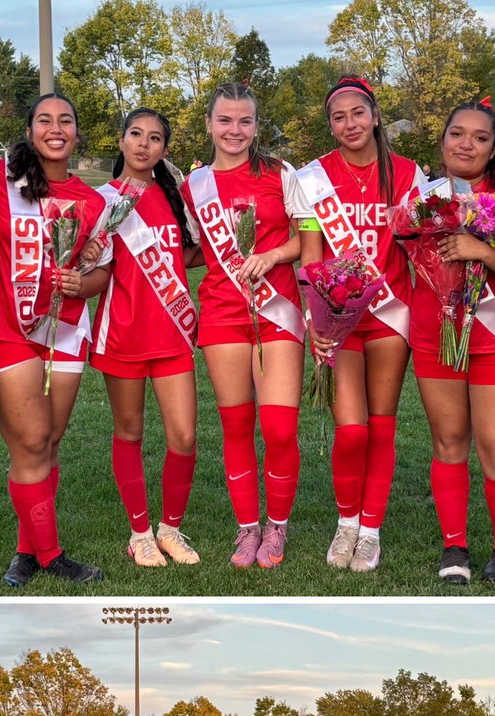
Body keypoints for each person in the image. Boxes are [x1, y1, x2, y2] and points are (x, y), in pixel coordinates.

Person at [0, 92, 111, 588]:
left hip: (66, 331)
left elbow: (102, 273)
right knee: (30, 441)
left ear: (76, 132)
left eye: (65, 120)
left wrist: (82, 284)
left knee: (48, 443)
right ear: (29, 131)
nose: (56, 128)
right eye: (45, 120)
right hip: (9, 330)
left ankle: (26, 551)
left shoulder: (94, 201)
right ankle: (50, 555)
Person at [293, 77, 425, 572]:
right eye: (338, 116)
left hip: (391, 314)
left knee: (381, 426)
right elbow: (310, 259)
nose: (349, 124)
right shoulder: (313, 178)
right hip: (339, 320)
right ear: (330, 124)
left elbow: (417, 250)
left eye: (357, 113)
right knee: (352, 430)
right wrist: (313, 319)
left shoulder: (409, 174)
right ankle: (346, 522)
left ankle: (371, 531)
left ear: (374, 116)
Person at [180, 82, 306, 569]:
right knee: (235, 426)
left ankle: (277, 526)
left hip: (277, 311)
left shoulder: (280, 173)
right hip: (222, 313)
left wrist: (272, 254)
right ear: (210, 124)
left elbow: (307, 236)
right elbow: (193, 249)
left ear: (256, 126)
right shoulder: (195, 187)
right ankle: (248, 529)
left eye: (245, 121)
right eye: (226, 121)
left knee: (277, 428)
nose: (235, 130)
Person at [412, 101, 495, 584]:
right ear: (442, 141)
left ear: (494, 148)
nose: (466, 144)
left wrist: (480, 249)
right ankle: (454, 547)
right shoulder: (420, 199)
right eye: (457, 134)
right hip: (435, 336)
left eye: (480, 137)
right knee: (448, 442)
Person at [92, 108, 203, 568]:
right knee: (130, 431)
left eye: (155, 138)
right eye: (136, 134)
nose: (144, 144)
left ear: (165, 149)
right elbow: (91, 265)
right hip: (122, 331)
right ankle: (139, 533)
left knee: (184, 436)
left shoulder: (177, 196)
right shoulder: (100, 199)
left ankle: (170, 530)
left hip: (172, 332)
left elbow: (192, 253)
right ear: (121, 141)